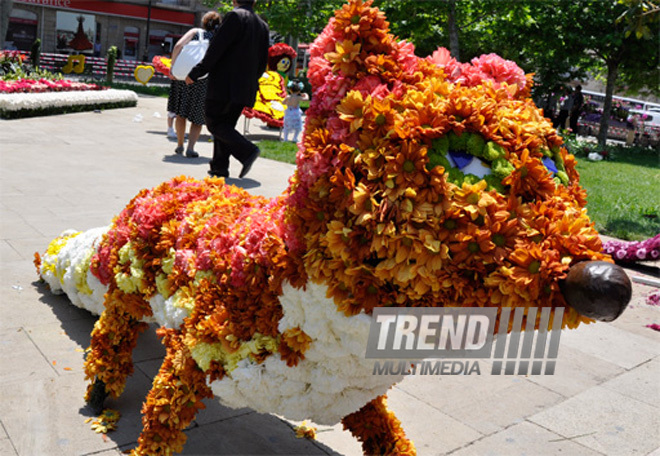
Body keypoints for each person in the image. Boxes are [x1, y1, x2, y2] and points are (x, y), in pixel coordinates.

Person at [186, 0, 270, 179]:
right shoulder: (262, 25)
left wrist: (196, 73)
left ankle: (247, 151)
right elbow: (263, 62)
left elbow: (216, 49)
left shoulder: (234, 17)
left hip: (224, 84)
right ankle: (219, 168)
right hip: (245, 87)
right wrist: (250, 82)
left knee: (214, 123)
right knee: (225, 126)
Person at [168, 11, 221, 158]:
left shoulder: (195, 32)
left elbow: (178, 45)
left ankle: (179, 144)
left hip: (183, 76)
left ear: (203, 22)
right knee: (197, 116)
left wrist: (173, 66)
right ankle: (191, 147)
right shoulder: (217, 38)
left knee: (181, 112)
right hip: (202, 79)